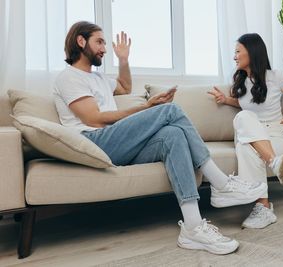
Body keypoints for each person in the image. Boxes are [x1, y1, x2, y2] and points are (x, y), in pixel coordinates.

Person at [53, 21, 268, 255]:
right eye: (100, 42)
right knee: (171, 111)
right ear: (81, 41)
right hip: (96, 141)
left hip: (118, 145)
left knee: (172, 135)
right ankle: (222, 184)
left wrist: (123, 59)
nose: (104, 48)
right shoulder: (69, 77)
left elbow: (124, 86)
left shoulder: (99, 78)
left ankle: (193, 227)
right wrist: (146, 107)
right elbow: (94, 119)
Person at [208, 33, 283, 229]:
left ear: (252, 51)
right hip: (251, 134)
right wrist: (226, 100)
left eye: (238, 51)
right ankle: (275, 163)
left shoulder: (276, 77)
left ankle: (262, 206)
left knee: (247, 147)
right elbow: (244, 105)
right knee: (244, 118)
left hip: (275, 136)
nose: (234, 56)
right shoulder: (240, 81)